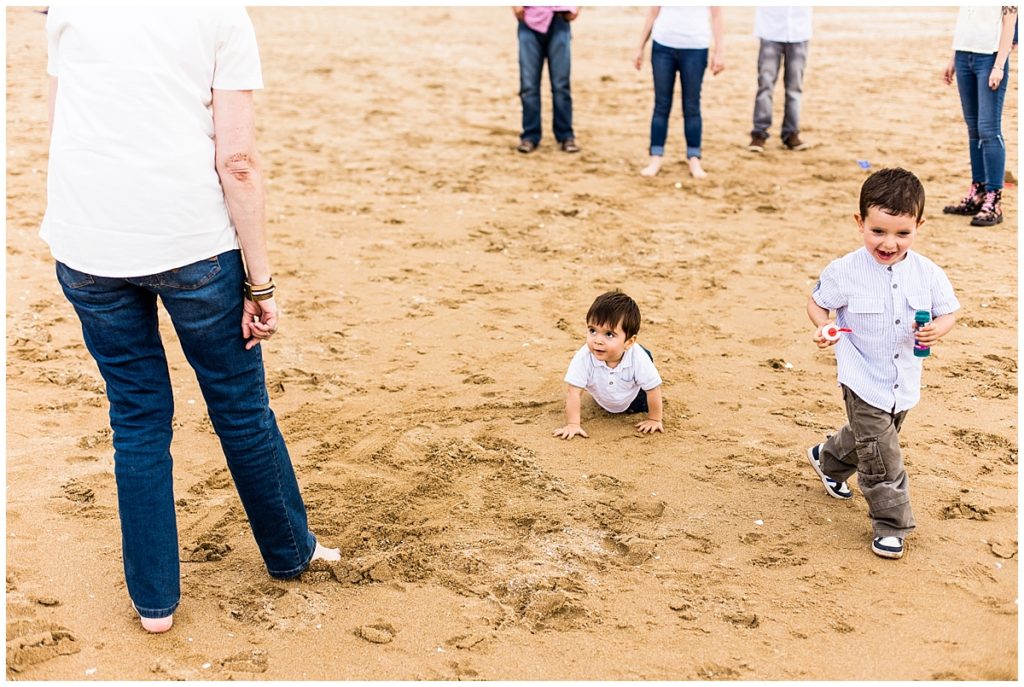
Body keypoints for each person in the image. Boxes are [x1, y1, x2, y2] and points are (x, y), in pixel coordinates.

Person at [42, 8, 339, 634]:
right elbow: (238, 160)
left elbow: (60, 123)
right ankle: (290, 552)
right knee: (239, 406)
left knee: (137, 416)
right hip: (191, 244)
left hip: (87, 243)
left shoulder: (69, 7)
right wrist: (260, 281)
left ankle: (155, 604)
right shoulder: (220, 14)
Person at [806, 168, 959, 560]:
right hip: (862, 376)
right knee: (882, 456)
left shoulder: (928, 274)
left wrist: (936, 331)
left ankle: (828, 458)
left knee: (870, 439)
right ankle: (892, 524)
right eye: (878, 231)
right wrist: (824, 326)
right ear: (860, 223)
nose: (889, 243)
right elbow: (818, 301)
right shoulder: (846, 270)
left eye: (902, 233)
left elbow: (948, 313)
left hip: (903, 380)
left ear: (919, 226)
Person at [941, 6, 1017, 226]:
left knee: (989, 130)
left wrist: (999, 66)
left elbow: (1009, 22)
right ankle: (978, 191)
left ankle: (994, 199)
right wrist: (954, 57)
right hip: (964, 55)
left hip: (990, 58)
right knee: (973, 129)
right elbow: (966, 18)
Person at [554, 291, 664, 440]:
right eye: (593, 331)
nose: (598, 341)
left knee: (645, 362)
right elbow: (573, 391)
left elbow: (653, 389)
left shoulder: (637, 358)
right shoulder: (584, 357)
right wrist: (573, 424)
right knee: (594, 381)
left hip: (634, 398)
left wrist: (654, 419)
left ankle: (641, 363)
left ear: (629, 342)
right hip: (603, 393)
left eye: (609, 334)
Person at [634, 6, 725, 178]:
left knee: (691, 106)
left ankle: (694, 157)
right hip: (663, 46)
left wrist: (719, 51)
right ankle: (656, 156)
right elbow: (653, 12)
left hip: (696, 47)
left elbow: (717, 15)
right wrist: (640, 46)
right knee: (661, 105)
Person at [514, 5, 580, 154]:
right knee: (529, 85)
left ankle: (565, 135)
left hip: (560, 17)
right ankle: (530, 135)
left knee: (561, 85)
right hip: (529, 17)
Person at [747, 6, 812, 153]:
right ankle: (759, 133)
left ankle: (791, 133)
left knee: (794, 88)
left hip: (799, 31)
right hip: (770, 30)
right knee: (765, 85)